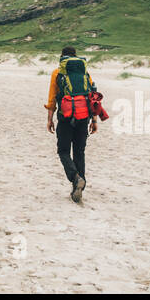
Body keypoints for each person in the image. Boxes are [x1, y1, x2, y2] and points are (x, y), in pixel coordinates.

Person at [45, 46, 98, 203]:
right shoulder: (84, 73)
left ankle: (75, 178)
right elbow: (92, 96)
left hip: (65, 116)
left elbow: (52, 98)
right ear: (76, 56)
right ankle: (79, 185)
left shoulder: (58, 73)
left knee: (63, 151)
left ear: (62, 57)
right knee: (79, 152)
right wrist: (94, 120)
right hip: (84, 116)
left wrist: (49, 119)